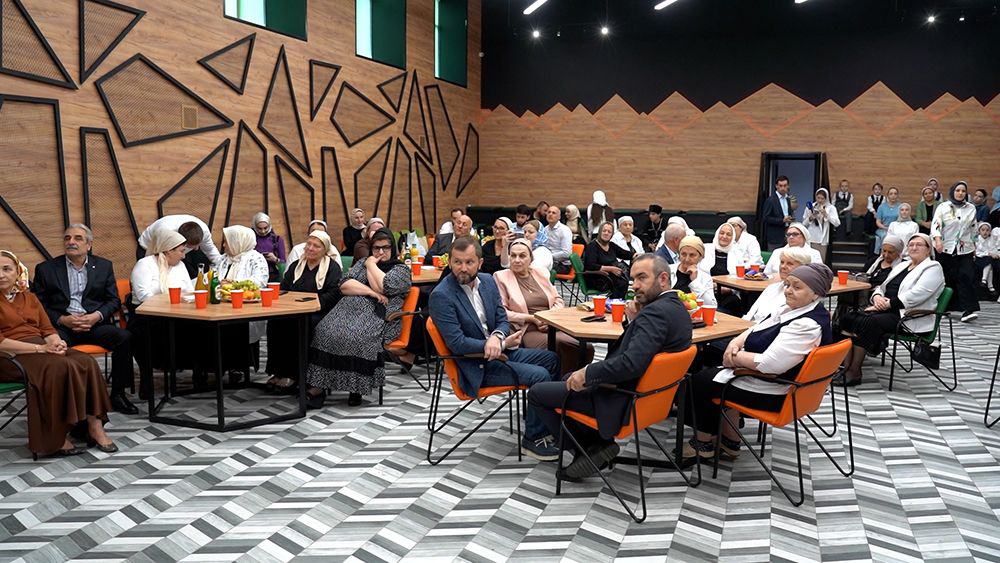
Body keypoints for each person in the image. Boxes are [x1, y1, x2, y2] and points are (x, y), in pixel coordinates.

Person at [526, 254, 692, 479]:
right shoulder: (678, 309)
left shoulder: (655, 314)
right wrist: (633, 321)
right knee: (567, 378)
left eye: (642, 278)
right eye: (633, 279)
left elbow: (630, 364)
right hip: (648, 399)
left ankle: (586, 449)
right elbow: (640, 354)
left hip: (620, 400)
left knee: (538, 393)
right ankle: (597, 445)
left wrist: (588, 372)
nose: (635, 285)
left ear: (663, 279)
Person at [682, 263, 833, 462]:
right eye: (788, 285)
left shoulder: (806, 324)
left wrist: (734, 358)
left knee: (698, 382)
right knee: (711, 363)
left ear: (816, 294)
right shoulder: (793, 309)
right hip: (774, 380)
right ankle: (730, 441)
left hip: (777, 392)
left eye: (797, 287)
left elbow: (770, 364)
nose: (788, 290)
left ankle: (703, 445)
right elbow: (755, 328)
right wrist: (735, 343)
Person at [429, 236, 561, 461]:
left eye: (469, 262)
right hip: (475, 364)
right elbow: (457, 343)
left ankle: (545, 421)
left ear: (480, 263)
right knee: (540, 375)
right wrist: (496, 343)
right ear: (449, 262)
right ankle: (533, 438)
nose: (463, 268)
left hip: (500, 352)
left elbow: (501, 317)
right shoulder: (442, 295)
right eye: (457, 262)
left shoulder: (487, 281)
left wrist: (498, 336)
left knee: (552, 359)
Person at [0, 250, 116, 457]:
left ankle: (94, 426)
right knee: (58, 366)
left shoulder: (30, 298)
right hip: (8, 356)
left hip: (40, 347)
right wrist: (41, 349)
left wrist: (57, 343)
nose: (1, 274)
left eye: (6, 269)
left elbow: (47, 329)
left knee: (85, 361)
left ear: (17, 272)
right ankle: (56, 436)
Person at [32, 225, 137, 415]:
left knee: (124, 337)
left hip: (94, 325)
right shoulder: (46, 269)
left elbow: (113, 300)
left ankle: (118, 394)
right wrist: (62, 319)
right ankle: (63, 400)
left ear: (89, 245)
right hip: (63, 327)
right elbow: (38, 305)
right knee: (53, 346)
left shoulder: (104, 266)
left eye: (78, 238)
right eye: (67, 238)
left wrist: (96, 316)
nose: (71, 242)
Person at [307, 228, 411, 408]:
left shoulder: (401, 269)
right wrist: (370, 292)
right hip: (347, 310)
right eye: (376, 248)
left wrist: (371, 265)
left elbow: (384, 287)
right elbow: (345, 285)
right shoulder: (362, 262)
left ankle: (355, 388)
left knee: (357, 337)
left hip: (379, 315)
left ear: (393, 248)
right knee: (324, 331)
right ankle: (319, 385)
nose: (380, 252)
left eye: (385, 248)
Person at [836, 234, 944, 385]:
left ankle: (855, 372)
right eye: (911, 244)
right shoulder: (902, 266)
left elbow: (919, 294)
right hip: (886, 310)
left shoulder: (933, 267)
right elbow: (881, 287)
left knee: (867, 322)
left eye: (919, 245)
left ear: (928, 249)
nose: (914, 247)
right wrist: (877, 297)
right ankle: (845, 367)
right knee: (848, 318)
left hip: (907, 315)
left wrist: (888, 304)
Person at [494, 239, 592, 372]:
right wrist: (533, 318)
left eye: (522, 256)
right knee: (567, 345)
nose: (517, 260)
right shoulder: (501, 277)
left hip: (553, 325)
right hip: (527, 330)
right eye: (513, 255)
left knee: (587, 347)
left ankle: (574, 379)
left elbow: (558, 300)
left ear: (531, 258)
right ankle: (564, 381)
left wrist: (547, 318)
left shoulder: (541, 273)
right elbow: (503, 312)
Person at [265, 230, 342, 391]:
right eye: (309, 244)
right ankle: (278, 371)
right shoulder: (296, 265)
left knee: (300, 325)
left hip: (319, 312)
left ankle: (295, 374)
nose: (310, 248)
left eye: (316, 246)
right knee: (275, 322)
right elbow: (284, 287)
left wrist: (312, 305)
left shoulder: (332, 268)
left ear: (325, 250)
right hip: (293, 310)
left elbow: (333, 294)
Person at [932, 181, 980, 322]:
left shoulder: (971, 208)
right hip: (945, 247)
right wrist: (938, 240)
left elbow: (973, 228)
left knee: (966, 276)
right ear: (953, 191)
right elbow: (936, 225)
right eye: (958, 190)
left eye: (963, 191)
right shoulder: (943, 206)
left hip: (965, 248)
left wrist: (975, 246)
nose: (960, 193)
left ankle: (968, 310)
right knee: (946, 277)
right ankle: (944, 307)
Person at [744, 246, 814, 322]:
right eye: (782, 262)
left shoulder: (802, 295)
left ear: (803, 268)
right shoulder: (771, 288)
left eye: (790, 264)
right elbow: (750, 314)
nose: (783, 266)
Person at [137, 214, 221, 277]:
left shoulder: (204, 231)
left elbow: (210, 250)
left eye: (198, 245)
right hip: (149, 248)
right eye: (192, 246)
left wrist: (222, 266)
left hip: (178, 249)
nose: (196, 248)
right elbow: (151, 256)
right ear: (183, 242)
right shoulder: (165, 231)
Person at [582, 221, 633, 299]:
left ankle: (618, 303)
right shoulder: (592, 246)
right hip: (595, 277)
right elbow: (590, 265)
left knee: (623, 279)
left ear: (612, 235)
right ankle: (615, 303)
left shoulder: (611, 245)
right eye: (604, 231)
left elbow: (624, 253)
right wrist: (610, 269)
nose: (606, 233)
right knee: (620, 282)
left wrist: (635, 255)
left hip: (608, 276)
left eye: (609, 232)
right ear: (600, 232)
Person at [702, 222, 743, 314]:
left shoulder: (737, 253)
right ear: (717, 234)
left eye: (728, 234)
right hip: (707, 291)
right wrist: (711, 286)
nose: (724, 236)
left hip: (728, 294)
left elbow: (739, 277)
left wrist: (729, 289)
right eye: (722, 233)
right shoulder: (706, 249)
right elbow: (699, 273)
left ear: (733, 237)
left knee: (734, 303)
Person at [671, 236, 717, 308]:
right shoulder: (669, 270)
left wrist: (695, 282)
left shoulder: (705, 278)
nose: (687, 259)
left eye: (692, 255)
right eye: (683, 254)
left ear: (700, 257)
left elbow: (711, 305)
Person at [761, 175, 795, 251]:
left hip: (787, 235)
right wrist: (782, 220)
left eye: (785, 186)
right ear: (776, 186)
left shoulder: (788, 199)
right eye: (780, 186)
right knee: (775, 257)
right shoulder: (770, 200)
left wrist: (790, 219)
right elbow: (765, 218)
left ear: (788, 186)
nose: (783, 188)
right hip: (775, 237)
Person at [805, 188, 840, 259]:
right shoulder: (811, 206)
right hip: (812, 236)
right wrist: (810, 218)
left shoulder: (831, 208)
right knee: (810, 259)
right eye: (818, 198)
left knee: (820, 260)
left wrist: (826, 215)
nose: (820, 200)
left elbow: (837, 223)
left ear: (826, 198)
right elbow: (804, 223)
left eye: (822, 198)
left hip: (823, 239)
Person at [252, 212, 286, 282]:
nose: (263, 231)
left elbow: (283, 263)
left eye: (265, 228)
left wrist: (275, 259)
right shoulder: (251, 239)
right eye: (259, 228)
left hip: (273, 275)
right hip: (254, 274)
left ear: (269, 226)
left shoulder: (277, 240)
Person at [543, 206, 573, 274]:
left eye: (553, 213)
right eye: (549, 212)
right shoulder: (545, 229)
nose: (550, 214)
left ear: (559, 217)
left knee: (539, 268)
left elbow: (566, 254)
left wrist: (549, 256)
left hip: (563, 265)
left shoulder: (564, 230)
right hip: (549, 261)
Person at [973, 222, 998, 297]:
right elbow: (977, 252)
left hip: (987, 258)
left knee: (990, 263)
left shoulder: (990, 239)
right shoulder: (977, 239)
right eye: (983, 230)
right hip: (978, 258)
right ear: (979, 231)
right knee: (989, 261)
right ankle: (989, 285)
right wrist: (989, 253)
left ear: (990, 231)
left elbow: (993, 249)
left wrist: (995, 254)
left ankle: (985, 282)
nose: (985, 232)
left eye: (987, 230)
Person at [874, 187, 901, 254]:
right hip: (883, 229)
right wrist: (885, 228)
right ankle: (883, 254)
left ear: (897, 195)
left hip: (897, 229)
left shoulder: (900, 206)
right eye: (891, 194)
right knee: (886, 236)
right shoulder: (881, 207)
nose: (893, 195)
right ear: (888, 195)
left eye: (895, 194)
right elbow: (878, 222)